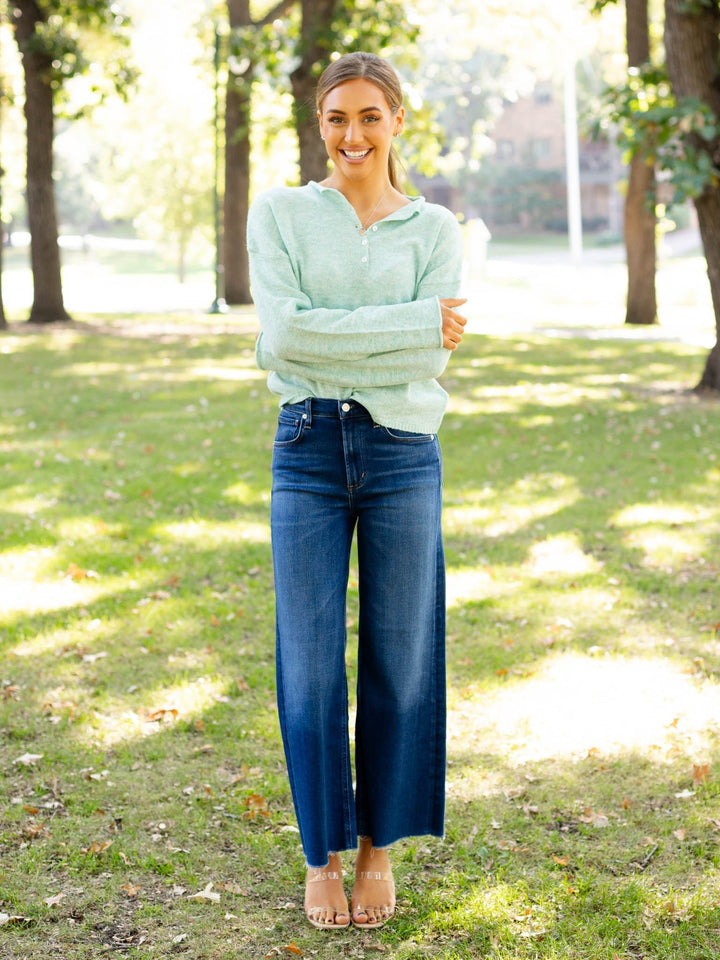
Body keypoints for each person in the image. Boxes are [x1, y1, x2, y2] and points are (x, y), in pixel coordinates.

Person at [246, 51, 467, 932]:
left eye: (370, 116)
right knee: (308, 665)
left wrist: (363, 339)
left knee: (400, 657)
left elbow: (429, 358)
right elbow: (282, 341)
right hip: (305, 447)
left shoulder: (433, 228)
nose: (352, 134)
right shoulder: (282, 214)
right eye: (338, 117)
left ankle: (378, 848)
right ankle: (321, 855)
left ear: (397, 122)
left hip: (404, 451)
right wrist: (413, 321)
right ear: (320, 125)